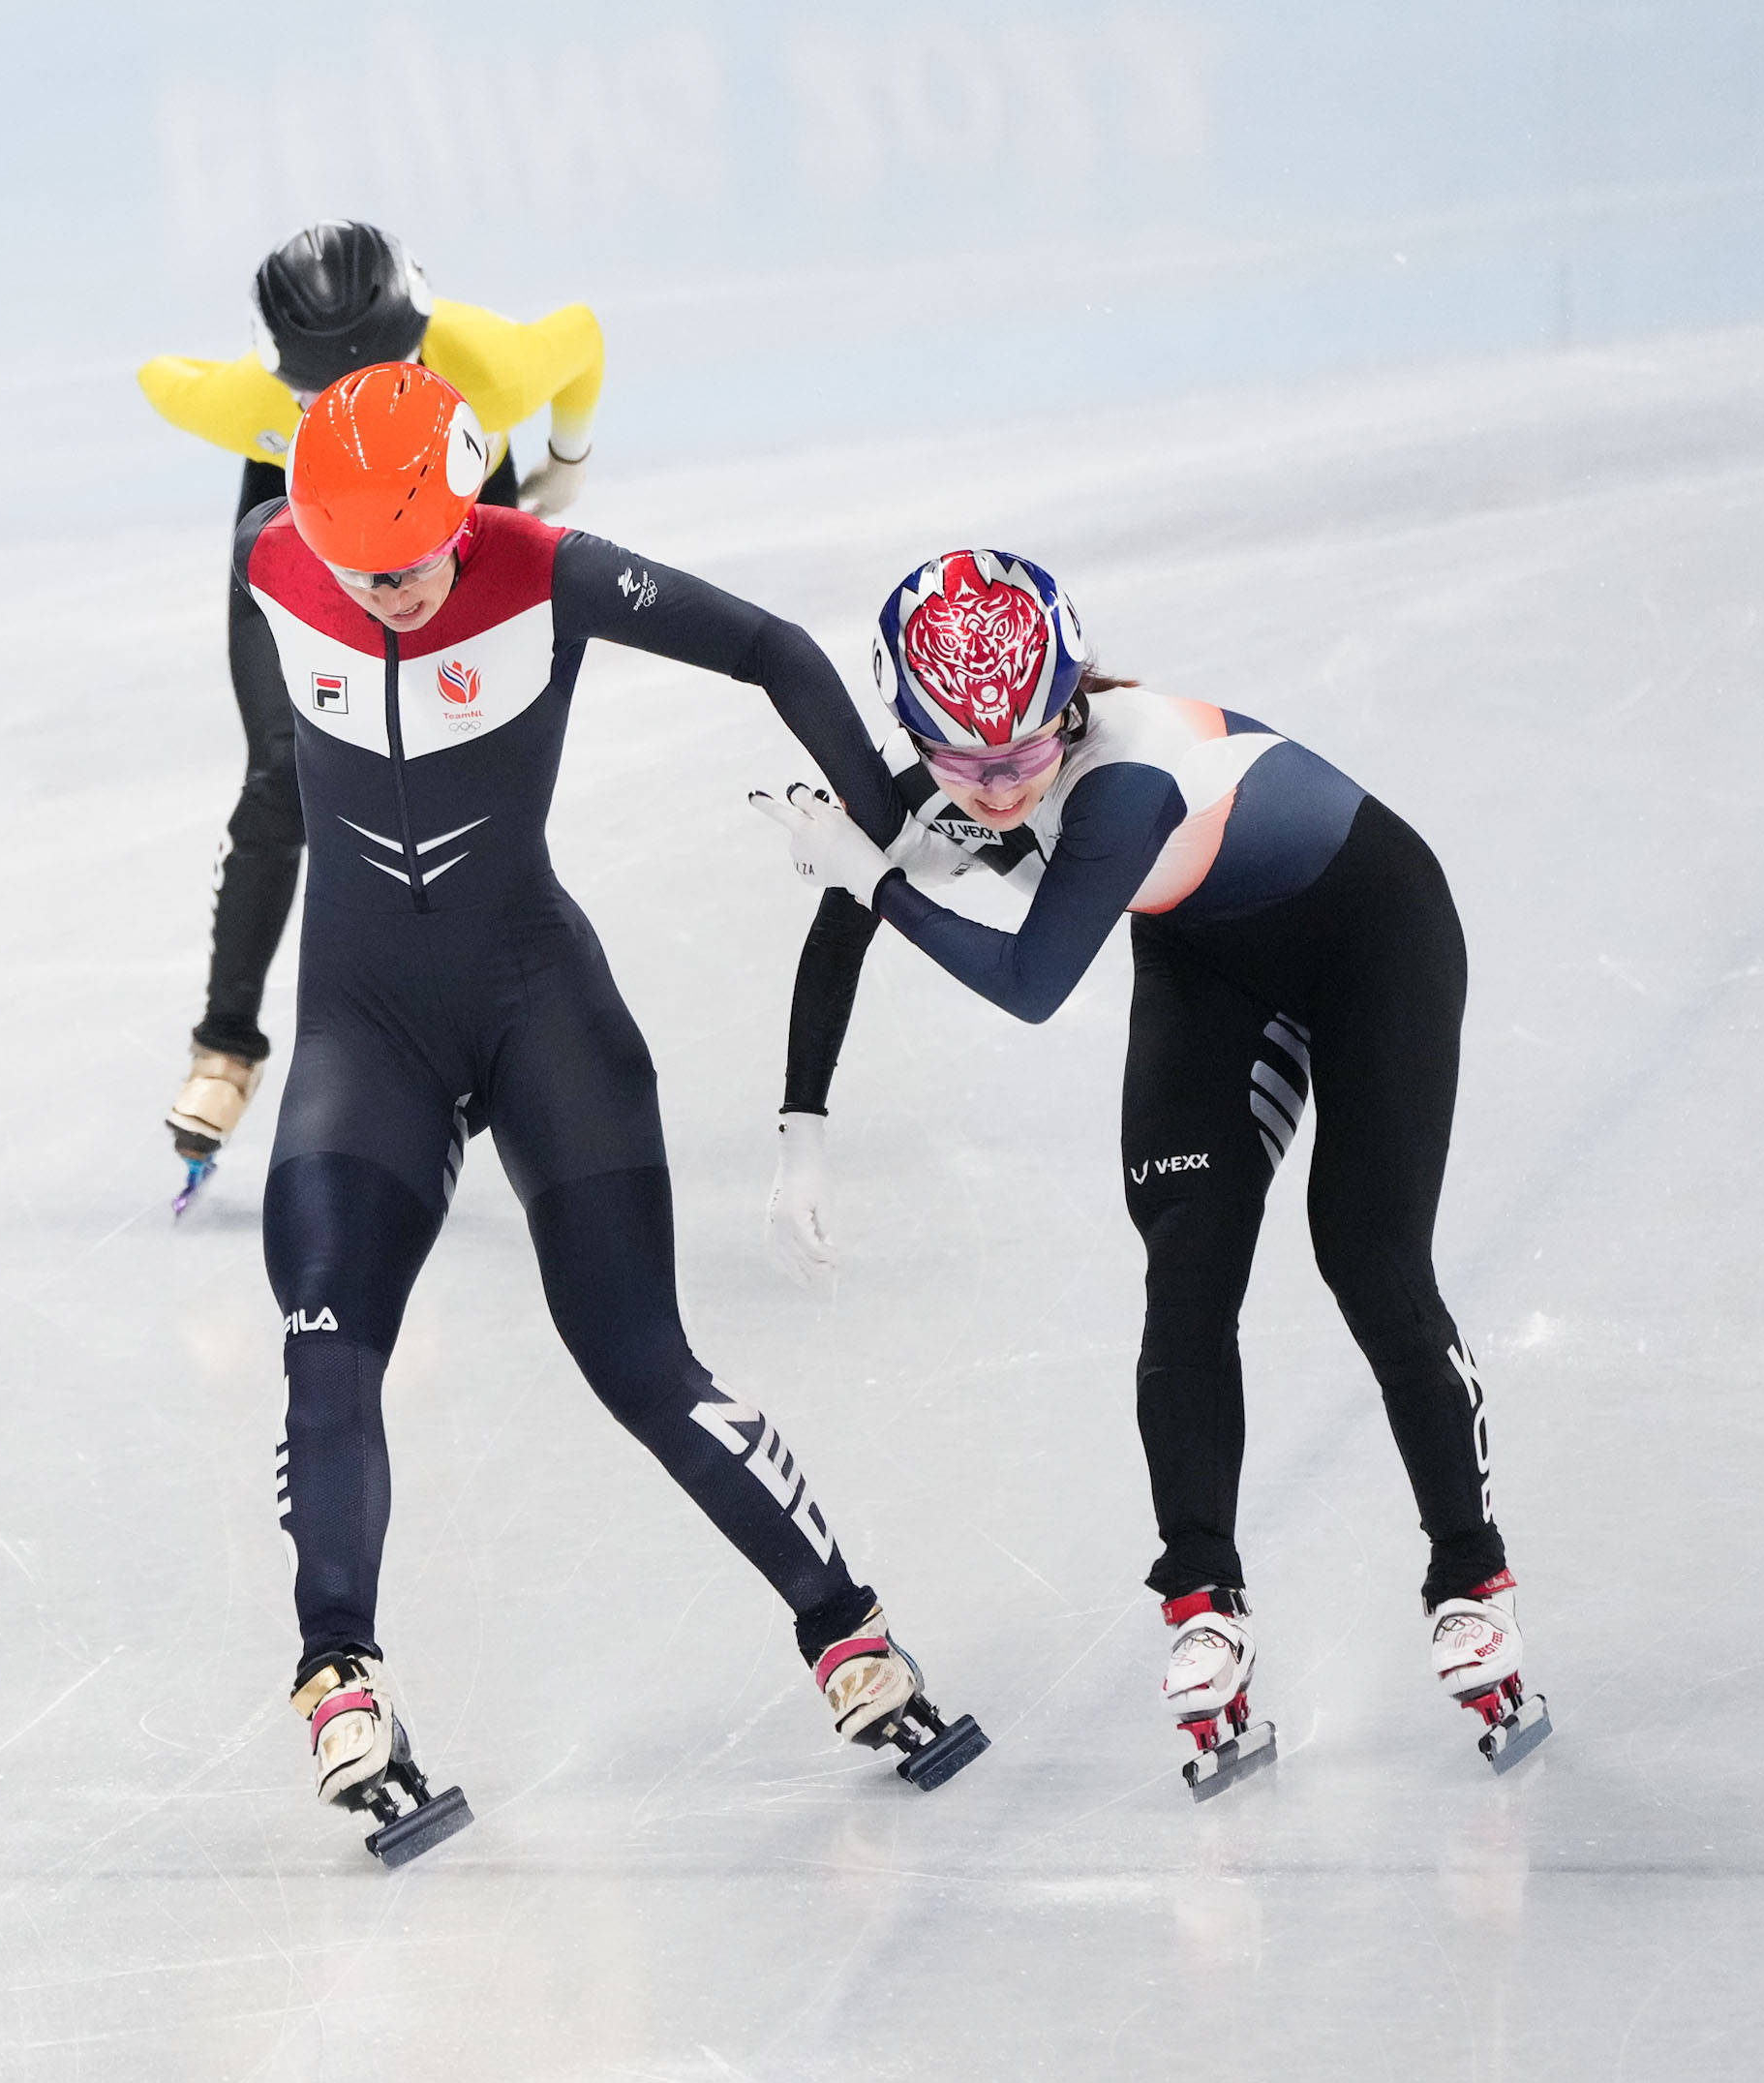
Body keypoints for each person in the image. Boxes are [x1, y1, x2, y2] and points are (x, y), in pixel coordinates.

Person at [250, 365, 986, 1866]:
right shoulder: (270, 554)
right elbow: (270, 774)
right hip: (359, 1031)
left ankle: (848, 1634)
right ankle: (341, 1677)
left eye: (402, 560)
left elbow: (769, 645)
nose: (376, 589)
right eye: (350, 565)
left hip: (539, 1015)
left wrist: (882, 816)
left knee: (637, 1357)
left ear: (465, 514)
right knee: (326, 1346)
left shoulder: (544, 573)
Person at [748, 548, 1548, 1794]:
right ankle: (1201, 1594)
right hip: (1207, 961)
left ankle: (1471, 1573)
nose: (1001, 788)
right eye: (965, 764)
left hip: (1372, 937)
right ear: (920, 733)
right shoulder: (979, 760)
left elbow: (1029, 985)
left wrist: (881, 878)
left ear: (1069, 699)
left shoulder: (1120, 781)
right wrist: (802, 1123)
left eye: (1025, 752)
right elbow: (847, 909)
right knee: (1187, 1265)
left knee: (1367, 1253)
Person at [137, 222, 607, 1197]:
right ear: (281, 383)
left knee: (455, 774)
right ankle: (227, 1043)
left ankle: (454, 1034)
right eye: (320, 396)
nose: (356, 406)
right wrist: (573, 452)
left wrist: (562, 455)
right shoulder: (248, 405)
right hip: (303, 524)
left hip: (453, 510)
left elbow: (580, 334)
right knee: (283, 776)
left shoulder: (489, 367)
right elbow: (165, 377)